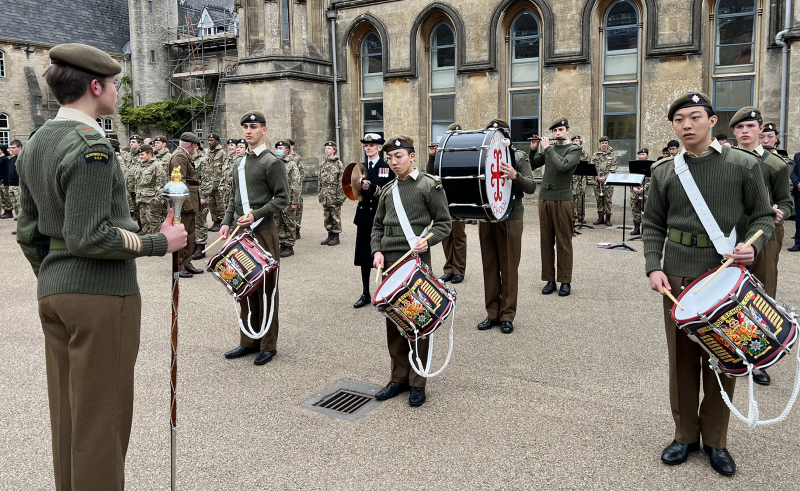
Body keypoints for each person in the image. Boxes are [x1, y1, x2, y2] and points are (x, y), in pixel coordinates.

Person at [15, 42, 187, 491]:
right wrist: (159, 242)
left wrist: (55, 276)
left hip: (55, 291)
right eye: (113, 83)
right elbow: (89, 236)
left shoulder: (36, 142)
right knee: (101, 423)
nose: (117, 91)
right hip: (100, 295)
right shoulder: (91, 144)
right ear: (95, 86)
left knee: (70, 417)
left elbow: (27, 231)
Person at [643, 92, 774, 477]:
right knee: (681, 362)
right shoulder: (664, 171)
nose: (686, 125)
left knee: (723, 360)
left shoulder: (743, 165)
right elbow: (652, 224)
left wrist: (752, 246)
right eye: (679, 119)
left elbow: (764, 218)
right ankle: (685, 435)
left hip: (724, 277)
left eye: (695, 117)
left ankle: (716, 440)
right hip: (677, 277)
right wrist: (654, 266)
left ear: (712, 121)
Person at [371, 135, 452, 407]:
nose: (394, 162)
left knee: (417, 320)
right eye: (390, 158)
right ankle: (398, 378)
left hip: (415, 259)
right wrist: (377, 251)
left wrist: (426, 241)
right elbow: (377, 227)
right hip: (390, 259)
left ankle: (419, 381)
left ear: (412, 156)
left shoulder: (429, 185)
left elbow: (444, 223)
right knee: (394, 320)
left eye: (399, 157)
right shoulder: (387, 189)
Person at [220, 111, 289, 366]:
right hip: (241, 231)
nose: (248, 131)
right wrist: (227, 222)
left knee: (267, 288)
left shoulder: (272, 162)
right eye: (246, 127)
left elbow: (283, 198)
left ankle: (268, 345)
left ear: (264, 130)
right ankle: (249, 339)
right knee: (244, 286)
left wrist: (257, 215)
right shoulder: (239, 162)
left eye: (254, 127)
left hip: (263, 231)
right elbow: (233, 199)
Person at [730, 107, 793, 386]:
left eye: (751, 126)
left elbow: (787, 201)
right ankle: (732, 350)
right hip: (731, 233)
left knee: (762, 294)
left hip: (764, 235)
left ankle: (759, 360)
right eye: (740, 127)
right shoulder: (725, 160)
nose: (745, 131)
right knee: (730, 293)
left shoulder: (776, 165)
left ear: (761, 130)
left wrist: (782, 212)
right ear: (733, 131)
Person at [475, 120, 536, 333]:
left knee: (509, 268)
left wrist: (515, 175)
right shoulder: (482, 157)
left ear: (505, 135)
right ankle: (492, 313)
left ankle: (507, 315)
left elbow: (531, 186)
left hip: (511, 218)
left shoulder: (518, 156)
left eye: (496, 133)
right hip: (488, 218)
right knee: (489, 267)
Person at [531, 119, 581, 297]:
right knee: (546, 240)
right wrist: (534, 148)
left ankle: (565, 280)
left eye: (560, 130)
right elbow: (531, 165)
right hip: (545, 197)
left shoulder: (574, 149)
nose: (557, 133)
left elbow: (563, 165)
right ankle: (549, 280)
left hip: (563, 198)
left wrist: (547, 149)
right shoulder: (548, 149)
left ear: (567, 130)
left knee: (563, 240)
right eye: (554, 131)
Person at [353, 133, 394, 309]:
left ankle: (385, 293)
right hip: (363, 216)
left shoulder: (384, 167)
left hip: (378, 216)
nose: (368, 148)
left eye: (372, 145)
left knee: (382, 256)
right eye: (366, 145)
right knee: (364, 257)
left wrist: (371, 187)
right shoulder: (361, 167)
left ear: (379, 148)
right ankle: (365, 293)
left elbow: (385, 187)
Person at [426, 123, 467, 284]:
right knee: (445, 236)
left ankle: (459, 270)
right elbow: (430, 174)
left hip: (458, 200)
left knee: (458, 236)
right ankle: (449, 268)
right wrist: (432, 156)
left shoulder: (465, 153)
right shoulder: (441, 154)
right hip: (442, 200)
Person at [168, 132, 204, 278]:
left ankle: (187, 263)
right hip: (183, 203)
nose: (195, 149)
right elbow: (179, 182)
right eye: (195, 146)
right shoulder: (180, 156)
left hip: (189, 200)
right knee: (182, 235)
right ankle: (179, 265)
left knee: (190, 235)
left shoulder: (182, 155)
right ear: (191, 145)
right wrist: (186, 205)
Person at [273, 140, 301, 257]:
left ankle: (289, 246)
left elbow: (296, 184)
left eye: (281, 148)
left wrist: (294, 202)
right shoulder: (275, 163)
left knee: (289, 223)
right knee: (278, 223)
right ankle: (282, 244)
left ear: (287, 150)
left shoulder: (292, 164)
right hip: (276, 199)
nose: (278, 150)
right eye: (277, 148)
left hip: (288, 200)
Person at [135, 144, 168, 234]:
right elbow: (137, 184)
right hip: (142, 200)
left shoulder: (157, 166)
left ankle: (158, 245)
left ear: (150, 154)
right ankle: (148, 245)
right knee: (145, 225)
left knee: (154, 225)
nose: (140, 157)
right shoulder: (140, 166)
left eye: (142, 155)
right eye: (139, 155)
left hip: (152, 201)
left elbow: (161, 185)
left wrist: (157, 201)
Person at [318, 140, 346, 246]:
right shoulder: (323, 164)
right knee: (327, 216)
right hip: (325, 194)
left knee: (335, 216)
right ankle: (329, 235)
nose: (326, 150)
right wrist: (320, 193)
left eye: (329, 148)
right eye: (325, 148)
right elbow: (319, 180)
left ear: (334, 150)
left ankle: (336, 237)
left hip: (334, 194)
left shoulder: (339, 164)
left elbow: (341, 182)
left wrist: (340, 197)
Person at [591, 136, 618, 226]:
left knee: (607, 200)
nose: (604, 145)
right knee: (599, 199)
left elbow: (614, 168)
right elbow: (592, 168)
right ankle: (600, 218)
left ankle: (608, 219)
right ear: (600, 143)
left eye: (606, 143)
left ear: (608, 143)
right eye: (602, 143)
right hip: (597, 181)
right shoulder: (595, 154)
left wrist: (605, 177)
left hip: (608, 181)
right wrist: (598, 178)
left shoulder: (613, 154)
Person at [205, 133, 227, 233]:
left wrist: (222, 183)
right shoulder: (207, 153)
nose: (209, 142)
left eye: (211, 140)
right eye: (209, 140)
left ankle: (222, 222)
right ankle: (215, 222)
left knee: (220, 205)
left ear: (217, 141)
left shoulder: (222, 153)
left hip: (218, 184)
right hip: (209, 184)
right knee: (211, 205)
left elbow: (225, 169)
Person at [191, 149, 210, 260]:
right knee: (191, 222)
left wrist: (204, 196)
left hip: (199, 195)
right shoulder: (187, 160)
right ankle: (193, 245)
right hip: (190, 196)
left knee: (200, 221)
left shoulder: (203, 161)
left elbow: (207, 179)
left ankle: (200, 248)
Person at [570, 135, 591, 227]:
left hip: (581, 178)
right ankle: (572, 216)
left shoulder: (585, 154)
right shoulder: (570, 153)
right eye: (574, 141)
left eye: (577, 141)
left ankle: (581, 216)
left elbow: (588, 166)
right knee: (572, 199)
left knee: (581, 198)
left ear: (580, 142)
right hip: (572, 179)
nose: (575, 142)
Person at [630, 148, 651, 236]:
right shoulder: (635, 165)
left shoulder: (651, 165)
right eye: (640, 155)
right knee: (635, 210)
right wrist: (634, 187)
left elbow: (653, 179)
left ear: (647, 155)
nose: (641, 156)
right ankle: (637, 228)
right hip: (635, 193)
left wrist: (645, 188)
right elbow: (631, 177)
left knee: (646, 211)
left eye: (643, 155)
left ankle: (646, 229)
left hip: (646, 193)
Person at [287, 138, 305, 239]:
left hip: (296, 187)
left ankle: (297, 229)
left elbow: (301, 173)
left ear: (292, 146)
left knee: (298, 209)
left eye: (288, 145)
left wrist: (298, 186)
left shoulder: (297, 158)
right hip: (286, 189)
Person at [790, 152, 800, 252]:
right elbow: (793, 173)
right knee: (799, 219)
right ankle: (798, 243)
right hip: (799, 193)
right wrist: (797, 183)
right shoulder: (797, 155)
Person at [0, 144, 13, 219]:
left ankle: (8, 211)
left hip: (2, 180)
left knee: (5, 196)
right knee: (1, 197)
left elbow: (6, 171)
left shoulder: (5, 159)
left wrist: (6, 182)